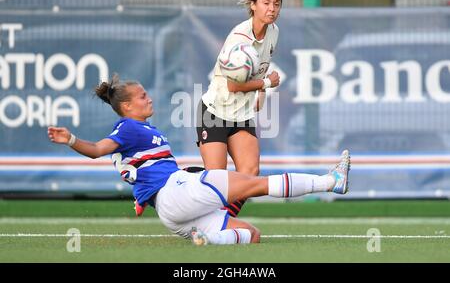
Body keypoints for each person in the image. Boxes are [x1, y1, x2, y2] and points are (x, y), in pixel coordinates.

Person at [48, 75, 351, 245]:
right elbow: (98, 150)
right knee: (254, 184)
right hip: (178, 191)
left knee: (252, 235)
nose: (148, 98)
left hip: (171, 214)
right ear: (126, 106)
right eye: (141, 96)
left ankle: (206, 239)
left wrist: (142, 199)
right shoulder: (128, 127)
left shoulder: (138, 130)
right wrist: (71, 140)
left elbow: (135, 171)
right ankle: (331, 182)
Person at [197, 0, 283, 217]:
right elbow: (233, 85)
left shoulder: (273, 32)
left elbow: (260, 68)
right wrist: (267, 83)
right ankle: (186, 195)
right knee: (217, 182)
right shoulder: (239, 38)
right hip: (214, 112)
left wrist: (261, 92)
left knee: (249, 172)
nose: (272, 9)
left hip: (241, 115)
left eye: (277, 4)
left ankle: (222, 222)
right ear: (253, 5)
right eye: (266, 3)